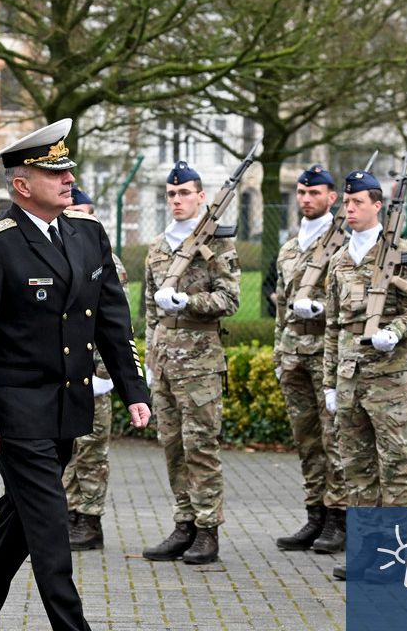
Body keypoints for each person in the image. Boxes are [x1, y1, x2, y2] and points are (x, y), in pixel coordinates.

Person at [0, 119, 150, 631]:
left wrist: (134, 390)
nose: (67, 179)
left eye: (68, 170)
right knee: (50, 535)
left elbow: (111, 320)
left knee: (14, 532)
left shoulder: (88, 235)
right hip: (17, 416)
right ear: (21, 185)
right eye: (53, 171)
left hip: (66, 411)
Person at [321, 168, 407, 580]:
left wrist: (394, 333)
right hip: (350, 378)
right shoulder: (339, 260)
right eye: (346, 202)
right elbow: (332, 326)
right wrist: (330, 381)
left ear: (377, 206)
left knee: (395, 468)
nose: (349, 209)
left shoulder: (402, 253)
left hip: (391, 378)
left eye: (357, 203)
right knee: (358, 469)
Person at [141, 160, 240, 565]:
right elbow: (149, 310)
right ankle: (183, 525)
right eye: (171, 194)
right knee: (172, 447)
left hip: (200, 364)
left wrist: (189, 302)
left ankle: (207, 530)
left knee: (201, 447)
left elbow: (229, 299)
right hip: (164, 362)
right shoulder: (157, 247)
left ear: (201, 196)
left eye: (185, 193)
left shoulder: (217, 243)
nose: (177, 200)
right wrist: (148, 358)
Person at [274, 164, 347, 554]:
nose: (306, 199)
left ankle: (339, 519)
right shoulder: (290, 247)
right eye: (302, 193)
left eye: (315, 193)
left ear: (331, 198)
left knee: (334, 438)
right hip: (294, 354)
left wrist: (319, 310)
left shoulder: (344, 245)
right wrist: (277, 353)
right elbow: (281, 308)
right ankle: (315, 515)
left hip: (326, 353)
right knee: (307, 440)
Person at [60, 185, 130, 551]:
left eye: (85, 212)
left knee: (91, 450)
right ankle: (70, 513)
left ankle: (89, 519)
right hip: (66, 375)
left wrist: (104, 376)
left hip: (94, 376)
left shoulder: (107, 261)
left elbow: (114, 326)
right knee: (69, 449)